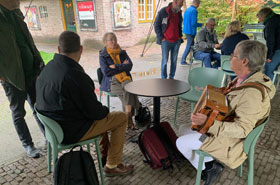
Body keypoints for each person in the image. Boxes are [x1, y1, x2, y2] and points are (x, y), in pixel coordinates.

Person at [36, 31, 134, 177]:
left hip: (53, 128)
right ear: (81, 49)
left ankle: (104, 153)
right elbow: (95, 112)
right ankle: (112, 165)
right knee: (120, 118)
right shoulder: (76, 75)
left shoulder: (48, 68)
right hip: (71, 131)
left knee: (102, 118)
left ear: (58, 49)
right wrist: (105, 111)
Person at [176, 40, 275, 185]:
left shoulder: (251, 94)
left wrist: (208, 123)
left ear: (244, 61)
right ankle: (209, 163)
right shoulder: (245, 79)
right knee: (183, 129)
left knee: (181, 143)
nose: (229, 58)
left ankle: (208, 169)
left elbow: (242, 130)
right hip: (223, 130)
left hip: (231, 142)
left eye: (233, 55)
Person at [0, 0, 45, 158]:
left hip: (31, 72)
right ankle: (28, 144)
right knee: (18, 113)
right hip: (12, 78)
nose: (19, 1)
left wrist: (38, 60)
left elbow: (28, 41)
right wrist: (3, 76)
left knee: (39, 107)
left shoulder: (17, 14)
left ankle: (48, 136)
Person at [99, 32, 140, 129]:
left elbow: (129, 66)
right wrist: (122, 66)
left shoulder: (122, 52)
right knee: (130, 91)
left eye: (115, 39)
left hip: (125, 78)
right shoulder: (103, 55)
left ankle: (127, 118)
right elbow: (106, 72)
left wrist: (116, 66)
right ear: (105, 42)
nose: (114, 42)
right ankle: (130, 117)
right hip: (112, 81)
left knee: (128, 88)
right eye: (111, 40)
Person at [154, 0, 184, 79]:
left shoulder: (179, 13)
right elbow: (156, 25)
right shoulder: (163, 11)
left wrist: (179, 37)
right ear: (175, 2)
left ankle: (171, 77)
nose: (181, 6)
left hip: (176, 41)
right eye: (180, 5)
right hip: (166, 41)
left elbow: (179, 25)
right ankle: (164, 78)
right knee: (164, 61)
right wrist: (161, 38)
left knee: (174, 61)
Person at [257, 7, 280, 80]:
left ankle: (270, 88)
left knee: (268, 69)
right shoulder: (278, 18)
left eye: (259, 18)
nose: (259, 20)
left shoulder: (270, 24)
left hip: (278, 49)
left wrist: (269, 56)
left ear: (263, 16)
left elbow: (271, 41)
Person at [180, 0, 203, 65]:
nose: (198, 6)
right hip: (190, 31)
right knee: (189, 46)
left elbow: (184, 21)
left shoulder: (187, 10)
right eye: (198, 4)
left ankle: (193, 59)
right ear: (197, 4)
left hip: (186, 30)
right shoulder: (194, 11)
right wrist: (200, 25)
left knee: (192, 45)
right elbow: (193, 23)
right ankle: (183, 60)